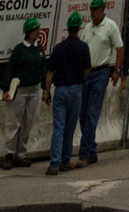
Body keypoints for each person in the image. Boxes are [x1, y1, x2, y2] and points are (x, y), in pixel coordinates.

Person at [77, 0, 126, 165]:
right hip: (86, 74)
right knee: (83, 114)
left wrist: (116, 69)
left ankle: (83, 154)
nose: (93, 13)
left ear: (103, 10)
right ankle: (91, 149)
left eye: (96, 10)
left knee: (92, 113)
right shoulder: (88, 28)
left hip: (101, 73)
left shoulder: (110, 26)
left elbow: (119, 47)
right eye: (91, 10)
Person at [46, 11, 90, 175]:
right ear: (79, 28)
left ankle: (54, 163)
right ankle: (65, 160)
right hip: (75, 89)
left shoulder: (58, 48)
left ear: (68, 28)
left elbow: (50, 72)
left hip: (60, 89)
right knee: (70, 127)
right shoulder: (83, 47)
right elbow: (87, 70)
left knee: (58, 127)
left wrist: (46, 91)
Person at [1, 16, 46, 166]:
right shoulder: (20, 50)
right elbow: (10, 69)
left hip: (34, 89)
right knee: (13, 122)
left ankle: (21, 154)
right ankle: (9, 154)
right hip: (20, 90)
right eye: (36, 30)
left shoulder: (39, 49)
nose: (38, 32)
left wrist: (45, 88)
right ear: (29, 32)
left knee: (28, 122)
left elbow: (43, 68)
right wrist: (6, 89)